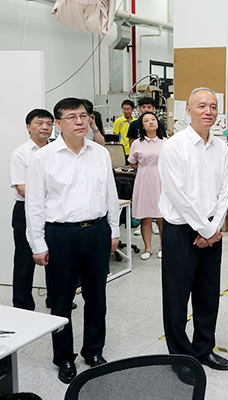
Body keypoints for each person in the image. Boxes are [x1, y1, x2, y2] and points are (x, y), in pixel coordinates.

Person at [25, 97, 120, 383]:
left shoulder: (100, 153)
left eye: (84, 116)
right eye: (72, 117)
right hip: (60, 235)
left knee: (97, 297)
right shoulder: (43, 157)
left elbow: (110, 194)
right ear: (58, 123)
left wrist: (113, 230)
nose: (80, 122)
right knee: (62, 299)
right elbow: (34, 204)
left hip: (97, 231)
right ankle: (64, 357)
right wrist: (38, 244)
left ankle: (93, 351)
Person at [158, 87, 228, 372]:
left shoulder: (221, 147)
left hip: (212, 231)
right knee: (177, 298)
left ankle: (204, 349)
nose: (208, 111)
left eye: (213, 106)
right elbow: (177, 194)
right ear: (188, 110)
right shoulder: (174, 146)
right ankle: (180, 358)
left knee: (208, 295)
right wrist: (206, 229)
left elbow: (225, 190)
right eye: (201, 106)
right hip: (180, 232)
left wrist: (213, 228)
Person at [10, 109, 53, 311]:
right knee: (25, 261)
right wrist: (54, 195)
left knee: (56, 259)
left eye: (49, 123)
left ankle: (55, 299)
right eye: (40, 123)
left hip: (53, 211)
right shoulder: (21, 154)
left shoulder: (56, 151)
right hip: (26, 211)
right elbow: (22, 188)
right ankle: (22, 305)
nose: (45, 127)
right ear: (28, 127)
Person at [128, 111, 166, 260]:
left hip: (161, 179)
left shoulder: (166, 142)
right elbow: (132, 162)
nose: (151, 122)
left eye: (153, 119)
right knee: (146, 216)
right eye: (147, 120)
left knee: (162, 216)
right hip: (143, 180)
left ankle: (163, 247)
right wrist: (145, 170)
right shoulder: (137, 143)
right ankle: (147, 248)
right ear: (142, 126)